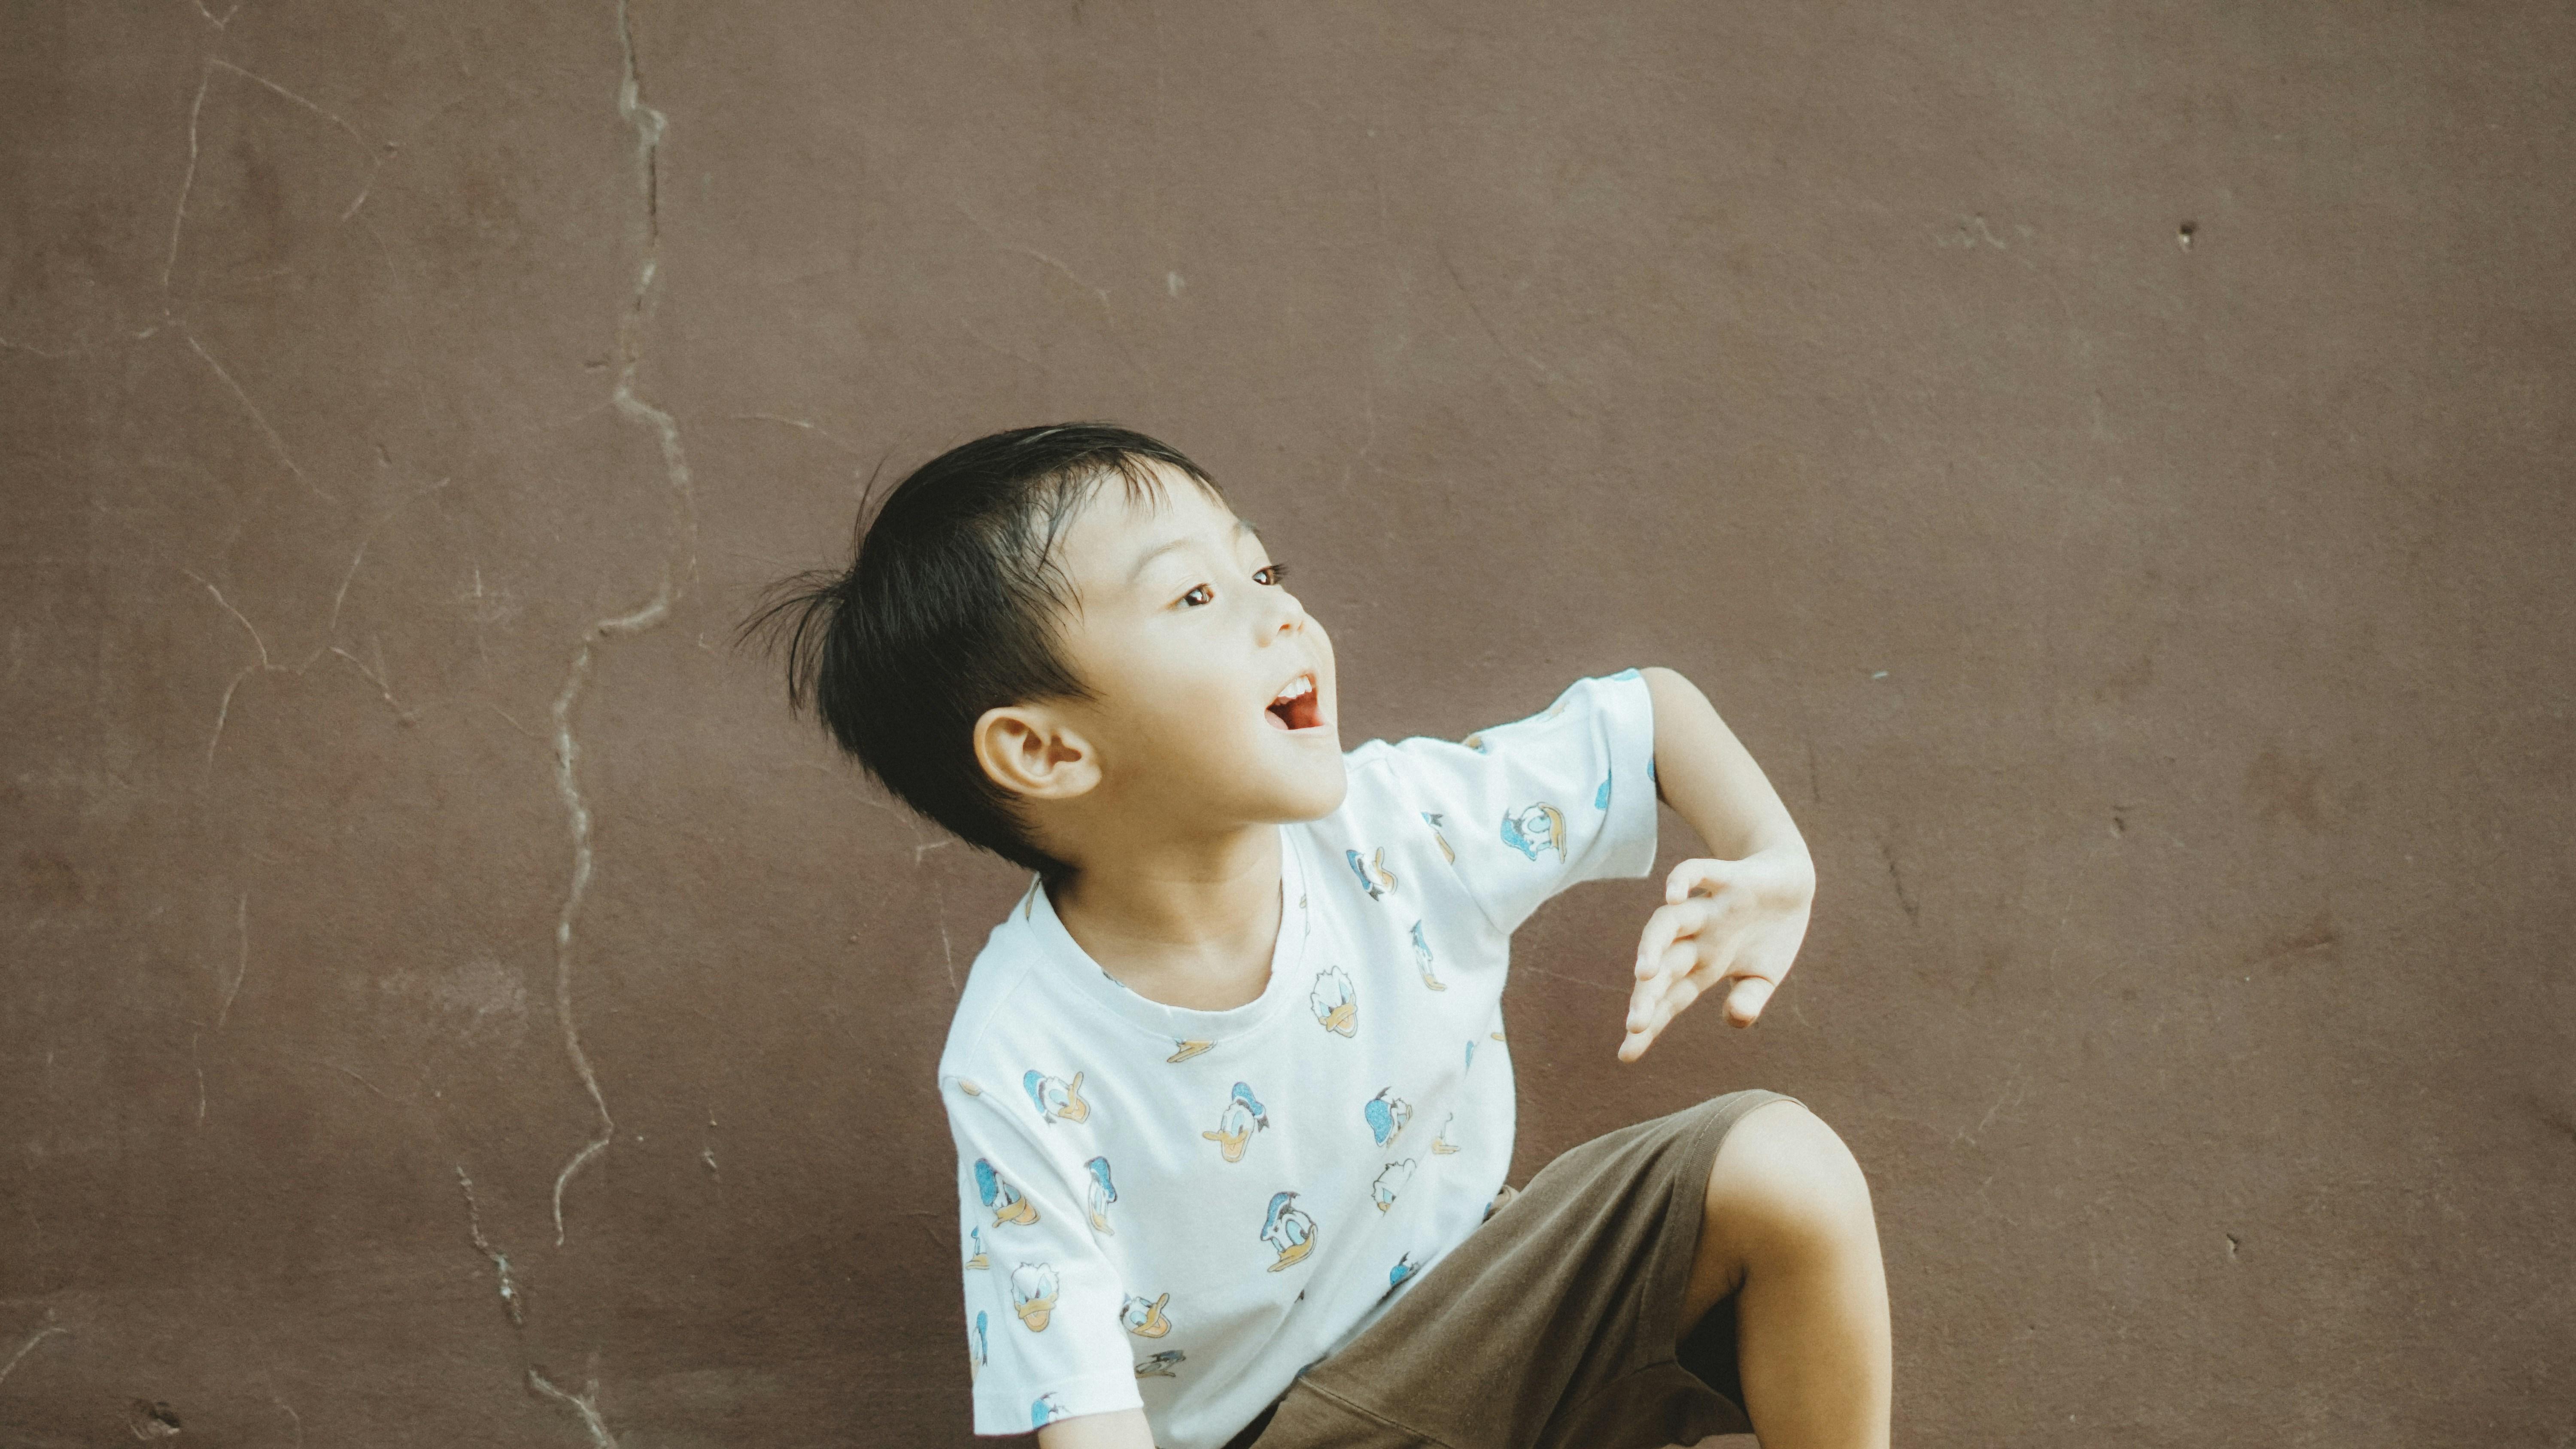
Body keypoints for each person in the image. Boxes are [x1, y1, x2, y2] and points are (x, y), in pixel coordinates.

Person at [744, 424, 1891, 1449]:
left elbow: (1647, 717)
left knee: (1779, 1169)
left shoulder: (1398, 827)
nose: (1281, 614)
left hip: (1488, 1330)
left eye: (1264, 571)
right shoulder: (1023, 1054)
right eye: (1197, 596)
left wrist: (1771, 856)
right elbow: (1084, 1406)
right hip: (1286, 1429)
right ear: (1047, 752)